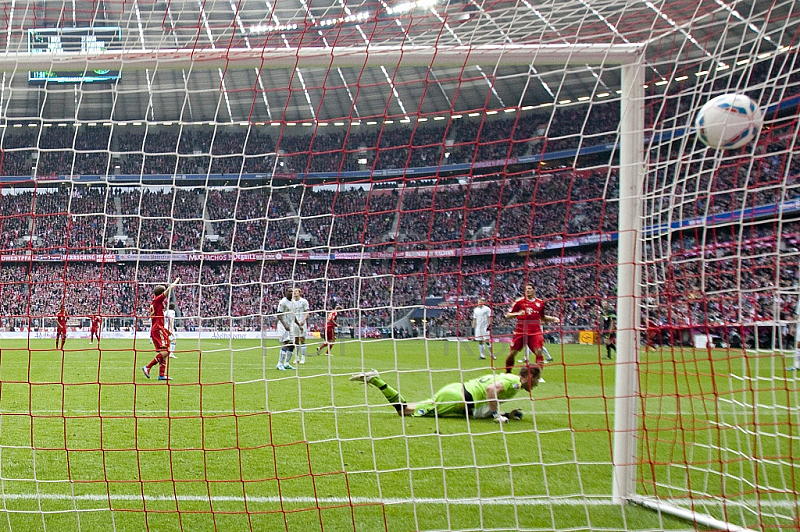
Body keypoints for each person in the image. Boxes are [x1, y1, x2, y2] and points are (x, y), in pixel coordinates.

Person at [350, 365, 541, 421]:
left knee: (407, 410)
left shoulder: (509, 379)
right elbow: (491, 390)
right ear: (529, 376)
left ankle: (376, 379)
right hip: (459, 398)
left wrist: (506, 414)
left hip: (457, 393)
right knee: (405, 411)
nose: (537, 385)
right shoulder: (514, 383)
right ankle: (376, 379)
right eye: (537, 380)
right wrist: (495, 415)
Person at [504, 283, 560, 373]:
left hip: (535, 331)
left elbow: (542, 317)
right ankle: (508, 372)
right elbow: (507, 315)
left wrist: (553, 319)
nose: (528, 291)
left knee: (538, 351)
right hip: (521, 331)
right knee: (511, 354)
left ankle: (538, 376)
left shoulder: (540, 303)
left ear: (534, 290)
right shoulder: (519, 302)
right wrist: (518, 314)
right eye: (526, 289)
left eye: (529, 289)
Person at [142, 278, 180, 381]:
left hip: (158, 328)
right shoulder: (157, 300)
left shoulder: (155, 302)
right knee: (166, 351)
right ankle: (148, 367)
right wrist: (175, 282)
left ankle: (161, 375)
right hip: (158, 328)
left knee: (164, 351)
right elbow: (168, 290)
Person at [275, 288, 296, 371]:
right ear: (286, 292)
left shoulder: (293, 303)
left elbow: (293, 315)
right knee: (286, 343)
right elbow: (279, 315)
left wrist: (298, 324)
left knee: (292, 345)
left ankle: (286, 363)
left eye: (292, 291)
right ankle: (279, 364)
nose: (291, 293)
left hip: (290, 325)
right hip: (283, 325)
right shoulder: (283, 302)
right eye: (289, 291)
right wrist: (285, 325)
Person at [290, 288, 310, 365]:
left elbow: (307, 312)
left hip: (302, 322)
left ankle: (303, 358)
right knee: (296, 340)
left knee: (302, 340)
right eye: (293, 292)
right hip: (294, 323)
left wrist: (304, 320)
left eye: (296, 291)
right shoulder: (291, 302)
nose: (294, 293)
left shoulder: (304, 301)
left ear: (299, 293)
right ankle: (296, 357)